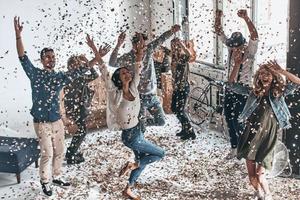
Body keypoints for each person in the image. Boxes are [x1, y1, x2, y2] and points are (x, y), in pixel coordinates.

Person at [14, 16, 97, 196]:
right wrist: (18, 36)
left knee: (60, 150)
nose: (51, 59)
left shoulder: (60, 77)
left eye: (53, 57)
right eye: (47, 57)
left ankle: (57, 176)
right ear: (42, 60)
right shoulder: (35, 74)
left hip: (57, 121)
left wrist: (97, 57)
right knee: (48, 154)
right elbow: (22, 57)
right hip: (42, 123)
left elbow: (81, 70)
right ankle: (45, 181)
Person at [89, 33, 165, 199]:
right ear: (117, 78)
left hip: (136, 130)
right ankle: (133, 165)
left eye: (127, 72)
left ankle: (128, 188)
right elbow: (103, 68)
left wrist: (139, 49)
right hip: (131, 136)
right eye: (123, 73)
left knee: (143, 159)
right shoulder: (114, 92)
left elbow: (138, 63)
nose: (127, 73)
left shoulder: (134, 87)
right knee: (159, 154)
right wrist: (95, 50)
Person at [227, 61, 300, 200]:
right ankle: (259, 193)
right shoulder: (253, 92)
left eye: (267, 73)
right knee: (252, 175)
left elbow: (298, 82)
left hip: (268, 136)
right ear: (258, 76)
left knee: (260, 174)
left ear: (273, 76)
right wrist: (236, 64)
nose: (264, 76)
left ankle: (268, 195)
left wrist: (282, 72)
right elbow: (231, 85)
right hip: (251, 135)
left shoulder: (278, 93)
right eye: (261, 73)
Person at [109, 25, 180, 132]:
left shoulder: (149, 50)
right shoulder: (128, 57)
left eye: (144, 43)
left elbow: (160, 39)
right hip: (139, 98)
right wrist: (118, 45)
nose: (143, 46)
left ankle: (138, 123)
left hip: (152, 96)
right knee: (141, 130)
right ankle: (139, 126)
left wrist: (171, 31)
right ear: (134, 45)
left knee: (161, 121)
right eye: (140, 43)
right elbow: (112, 63)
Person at [214, 9, 259, 159]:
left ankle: (243, 150)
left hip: (244, 90)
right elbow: (219, 32)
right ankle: (234, 148)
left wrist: (246, 18)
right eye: (232, 47)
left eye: (237, 46)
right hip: (229, 88)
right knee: (228, 118)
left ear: (243, 44)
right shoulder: (230, 47)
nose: (234, 49)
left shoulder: (249, 51)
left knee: (239, 121)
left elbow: (255, 36)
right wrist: (218, 17)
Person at [63, 53, 100, 165]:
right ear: (69, 66)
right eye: (74, 65)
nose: (77, 66)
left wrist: (88, 61)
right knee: (82, 130)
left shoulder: (80, 77)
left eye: (78, 64)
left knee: (82, 130)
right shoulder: (67, 77)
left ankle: (72, 152)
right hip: (74, 107)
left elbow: (95, 75)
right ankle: (71, 154)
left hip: (80, 106)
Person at [170, 38, 196, 140]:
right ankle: (185, 129)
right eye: (173, 46)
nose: (174, 48)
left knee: (180, 110)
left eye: (176, 46)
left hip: (183, 87)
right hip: (176, 88)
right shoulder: (174, 57)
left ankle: (190, 132)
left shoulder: (183, 58)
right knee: (174, 108)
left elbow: (189, 55)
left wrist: (181, 44)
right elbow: (165, 50)